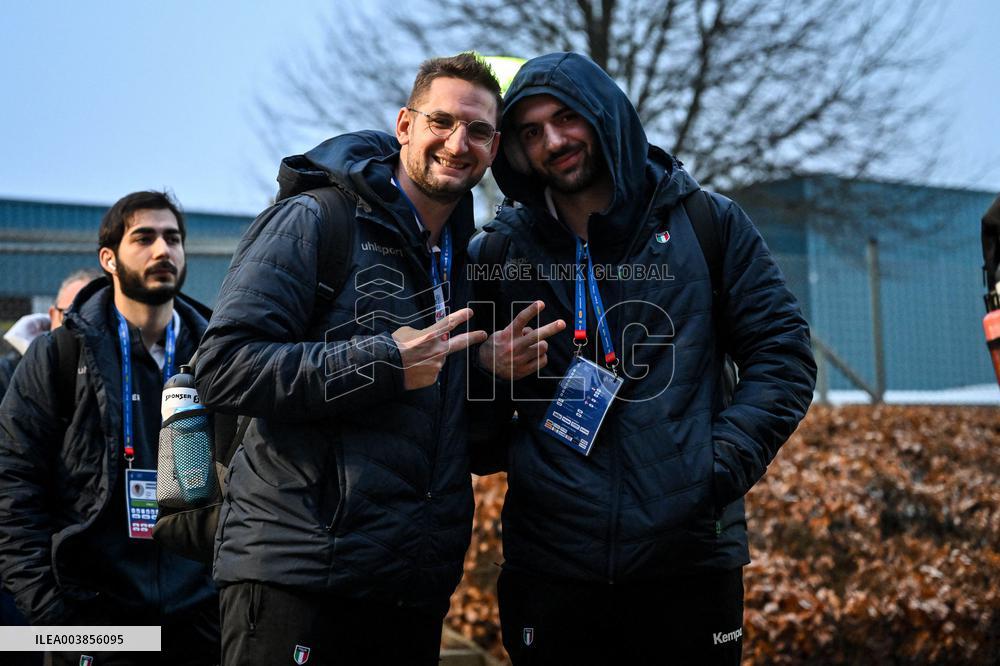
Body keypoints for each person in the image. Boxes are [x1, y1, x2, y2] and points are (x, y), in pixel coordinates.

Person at [471, 52, 817, 665]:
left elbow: (783, 356)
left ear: (604, 114)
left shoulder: (707, 223)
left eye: (566, 117)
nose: (554, 141)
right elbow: (479, 437)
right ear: (515, 150)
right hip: (553, 569)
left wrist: (712, 468)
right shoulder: (499, 253)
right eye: (530, 131)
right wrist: (486, 373)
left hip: (686, 564)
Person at [194, 53, 501, 666]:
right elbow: (225, 364)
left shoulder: (467, 257)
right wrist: (383, 362)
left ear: (494, 148)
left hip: (406, 591)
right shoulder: (315, 219)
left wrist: (492, 371)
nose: (457, 142)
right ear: (405, 125)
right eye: (441, 121)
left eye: (479, 130)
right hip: (295, 576)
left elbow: (444, 433)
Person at [0, 191, 219, 666]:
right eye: (144, 238)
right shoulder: (59, 356)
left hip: (197, 623)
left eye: (173, 238)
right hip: (91, 622)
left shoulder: (218, 359)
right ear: (109, 259)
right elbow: (13, 489)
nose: (163, 250)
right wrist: (54, 618)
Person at [0, 269, 99, 398]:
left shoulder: (123, 372)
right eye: (69, 314)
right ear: (52, 315)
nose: (79, 324)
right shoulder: (7, 374)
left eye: (91, 317)